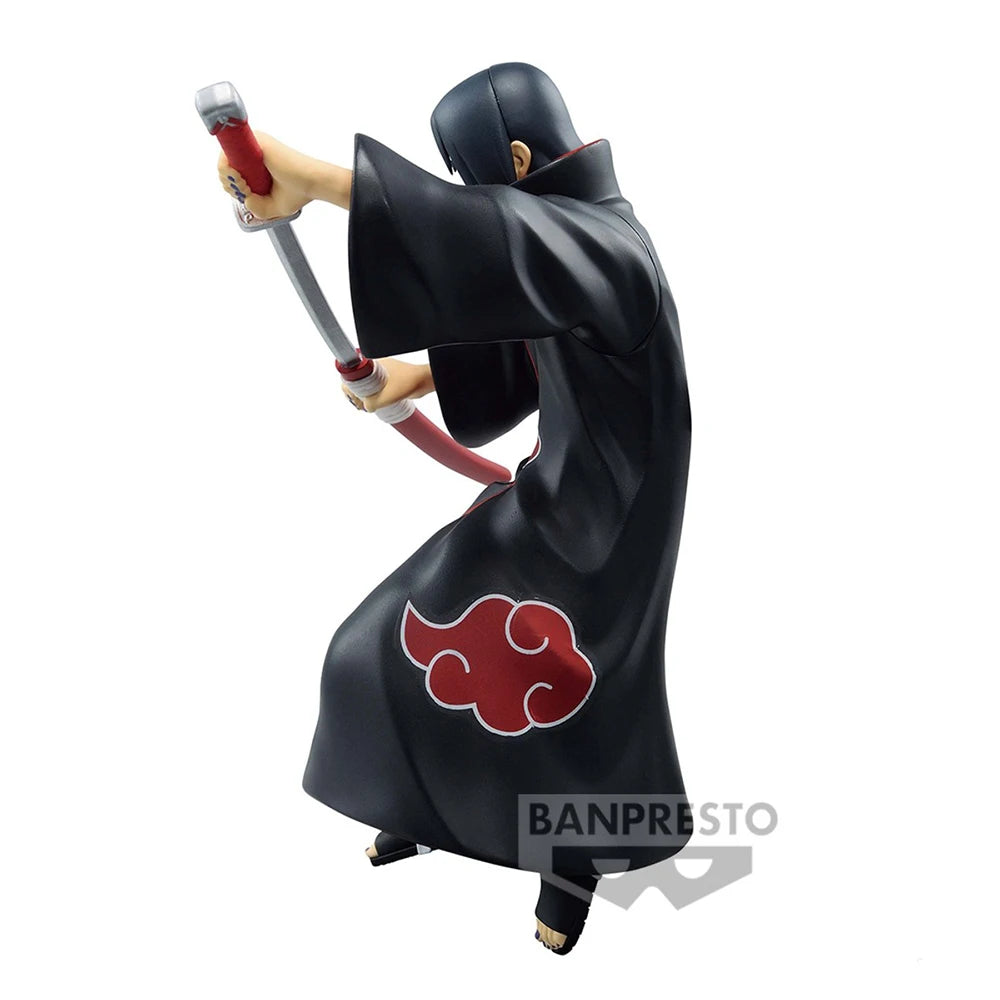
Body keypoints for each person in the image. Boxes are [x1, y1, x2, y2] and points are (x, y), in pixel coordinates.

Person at [218, 63, 692, 955]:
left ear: (514, 159)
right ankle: (422, 803)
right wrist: (416, 376)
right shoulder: (579, 240)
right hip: (555, 496)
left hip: (605, 522)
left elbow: (498, 240)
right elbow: (531, 321)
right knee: (382, 645)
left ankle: (572, 862)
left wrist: (314, 178)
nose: (470, 196)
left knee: (580, 690)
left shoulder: (610, 245)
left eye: (470, 175)